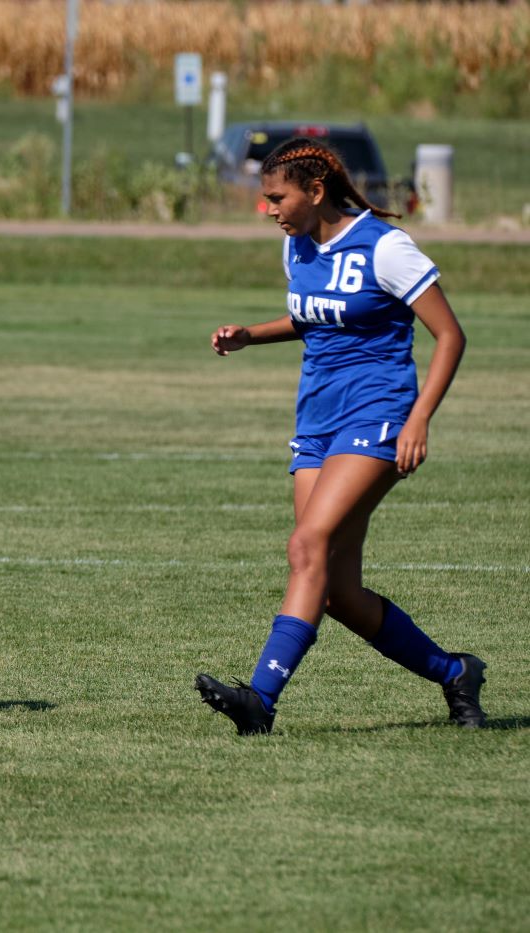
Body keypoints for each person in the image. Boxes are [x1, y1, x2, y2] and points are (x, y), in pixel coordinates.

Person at [194, 137, 484, 735]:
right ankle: (454, 671)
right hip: (317, 421)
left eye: (277, 197)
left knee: (306, 548)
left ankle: (261, 700)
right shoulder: (296, 248)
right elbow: (313, 317)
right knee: (335, 591)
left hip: (378, 414)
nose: (268, 209)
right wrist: (252, 334)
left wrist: (419, 418)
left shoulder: (384, 246)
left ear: (315, 191)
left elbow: (450, 336)